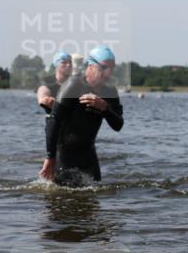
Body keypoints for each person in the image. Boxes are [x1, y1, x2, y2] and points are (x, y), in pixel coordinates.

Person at [39, 45, 124, 186]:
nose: (108, 73)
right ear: (90, 66)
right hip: (65, 155)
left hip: (89, 155)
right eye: (103, 68)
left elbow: (118, 125)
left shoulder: (110, 91)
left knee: (94, 198)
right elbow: (54, 122)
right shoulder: (73, 85)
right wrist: (50, 158)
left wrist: (105, 108)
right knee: (61, 201)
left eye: (111, 68)